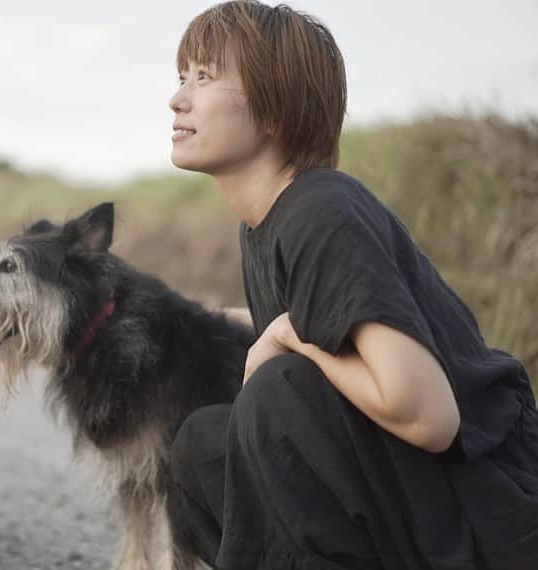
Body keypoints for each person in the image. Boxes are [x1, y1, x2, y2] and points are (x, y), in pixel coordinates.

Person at [165, 2, 538, 569]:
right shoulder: (264, 225)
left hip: (485, 517)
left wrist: (291, 336)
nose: (178, 98)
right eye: (181, 77)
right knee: (202, 447)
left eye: (205, 77)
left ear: (274, 109)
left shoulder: (320, 212)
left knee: (277, 398)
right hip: (416, 501)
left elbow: (430, 417)